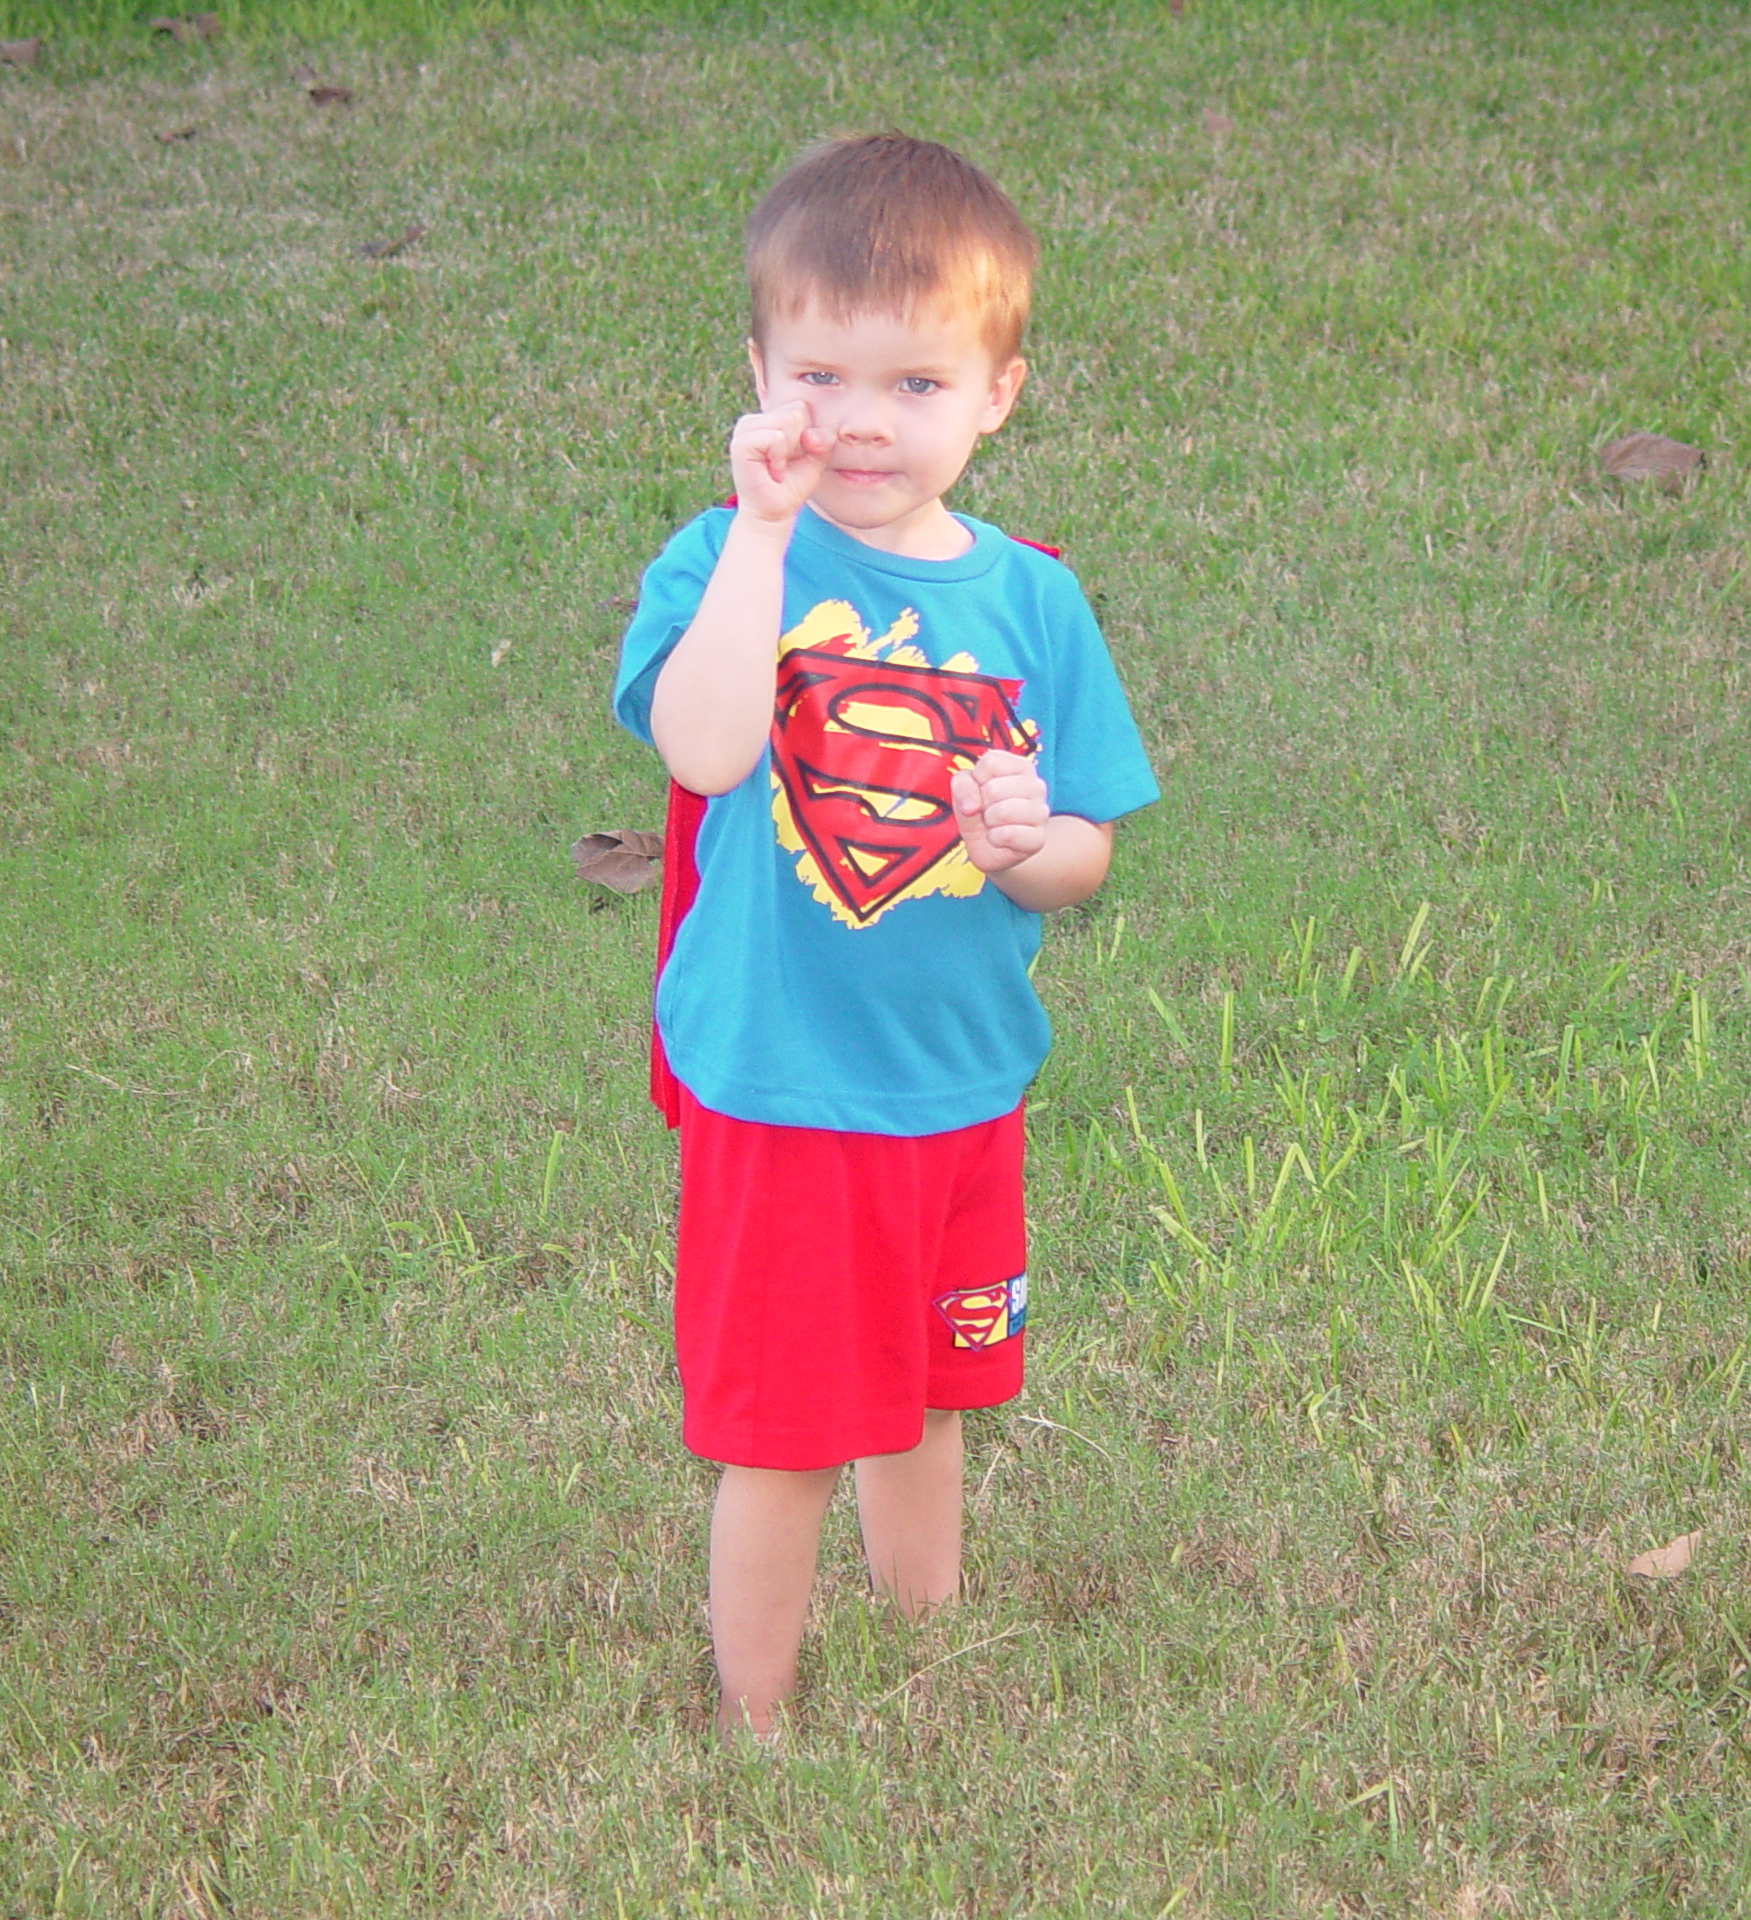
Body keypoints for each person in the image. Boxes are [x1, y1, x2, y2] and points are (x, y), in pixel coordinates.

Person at [610, 133, 1158, 1738]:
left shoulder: (1037, 600)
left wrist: (1027, 841)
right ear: (761, 375)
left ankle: (936, 1641)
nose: (861, 422)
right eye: (822, 376)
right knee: (785, 1427)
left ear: (999, 392)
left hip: (960, 1079)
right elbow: (705, 753)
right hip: (788, 1086)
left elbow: (1086, 854)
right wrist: (766, 541)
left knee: (930, 1396)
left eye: (917, 383)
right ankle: (759, 1718)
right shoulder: (723, 566)